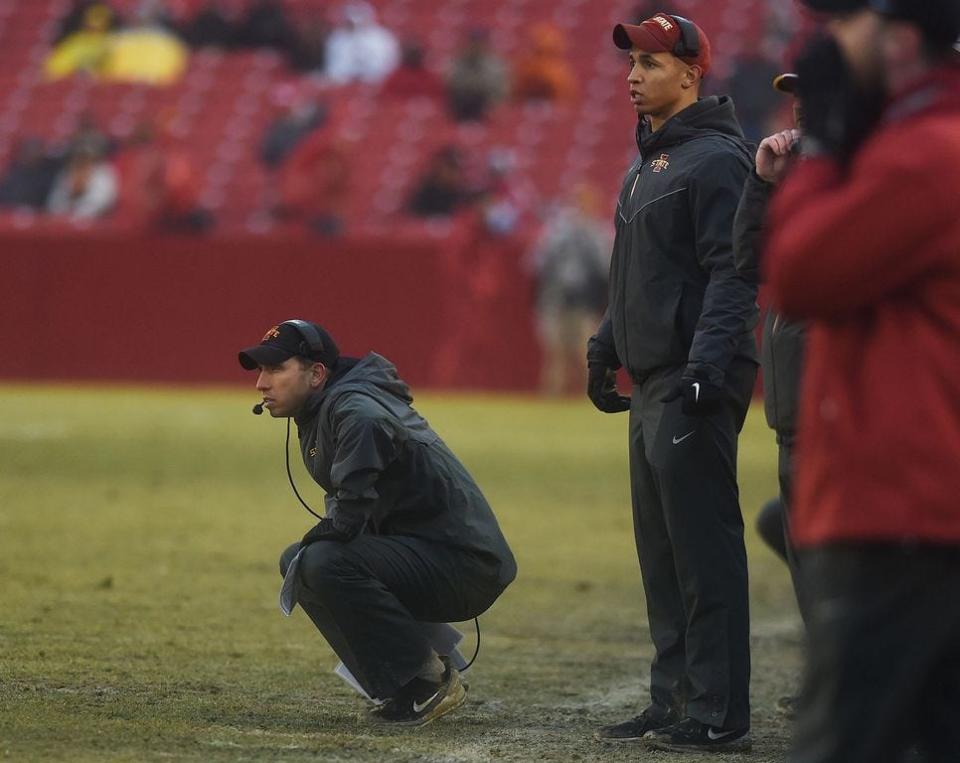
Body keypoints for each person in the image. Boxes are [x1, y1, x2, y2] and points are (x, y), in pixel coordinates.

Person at [763, 1, 960, 762]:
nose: (827, 40)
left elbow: (801, 273)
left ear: (899, 39)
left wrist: (822, 147)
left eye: (845, 20)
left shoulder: (923, 152)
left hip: (902, 513)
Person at [587, 12, 758, 753]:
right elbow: (636, 276)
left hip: (692, 376)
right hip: (655, 376)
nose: (634, 75)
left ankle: (718, 711)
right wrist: (605, 345)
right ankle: (675, 696)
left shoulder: (718, 160)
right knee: (662, 550)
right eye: (632, 63)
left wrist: (706, 367)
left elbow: (734, 270)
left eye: (651, 64)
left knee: (703, 549)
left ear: (691, 74)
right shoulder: (650, 162)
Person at [238, 321, 516, 727]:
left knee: (321, 562)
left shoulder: (353, 407)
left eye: (276, 369)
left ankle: (428, 680)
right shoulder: (326, 408)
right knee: (299, 561)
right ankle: (407, 682)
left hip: (465, 564)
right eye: (261, 371)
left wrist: (336, 525)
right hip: (431, 554)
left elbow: (354, 495)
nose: (262, 383)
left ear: (316, 374)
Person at [732, 72, 809, 715]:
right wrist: (762, 185)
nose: (802, 103)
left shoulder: (862, 175)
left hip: (841, 410)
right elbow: (748, 263)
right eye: (796, 92)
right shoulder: (797, 176)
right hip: (794, 411)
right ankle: (836, 672)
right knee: (797, 531)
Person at [529, 184, 611, 395]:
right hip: (556, 298)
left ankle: (591, 396)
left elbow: (605, 267)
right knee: (555, 353)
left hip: (584, 301)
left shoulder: (598, 233)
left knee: (586, 351)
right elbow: (537, 263)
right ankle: (553, 395)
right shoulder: (556, 232)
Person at [324, 1, 399, 85]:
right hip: (344, 83)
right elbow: (334, 68)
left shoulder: (383, 37)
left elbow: (389, 66)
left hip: (376, 83)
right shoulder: (337, 37)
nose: (356, 24)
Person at [445, 28, 509, 122]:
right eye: (473, 42)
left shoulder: (495, 64)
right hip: (461, 105)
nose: (476, 46)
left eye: (479, 43)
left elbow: (499, 89)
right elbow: (451, 83)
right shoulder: (458, 61)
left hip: (487, 103)